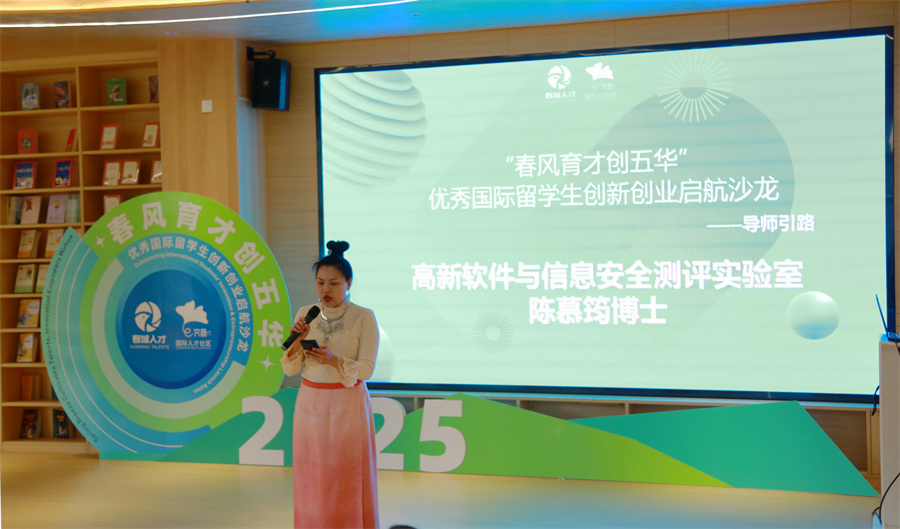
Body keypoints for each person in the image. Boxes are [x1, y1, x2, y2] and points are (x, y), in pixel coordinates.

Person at [280, 240, 380, 529]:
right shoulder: (306, 313)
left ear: (348, 283)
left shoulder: (363, 316)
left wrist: (334, 361)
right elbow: (290, 367)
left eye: (334, 283)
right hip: (310, 403)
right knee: (312, 472)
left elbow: (366, 369)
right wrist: (297, 340)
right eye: (320, 282)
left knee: (345, 471)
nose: (326, 289)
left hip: (347, 405)